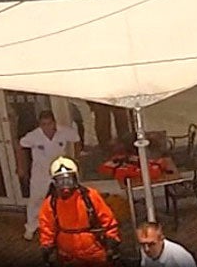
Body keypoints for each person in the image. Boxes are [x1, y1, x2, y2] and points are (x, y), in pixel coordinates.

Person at [39, 156, 121, 266]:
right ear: (54, 183)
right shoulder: (51, 203)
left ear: (75, 179)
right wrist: (47, 248)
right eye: (61, 182)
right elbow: (47, 227)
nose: (65, 187)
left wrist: (112, 242)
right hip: (67, 256)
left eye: (68, 181)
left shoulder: (90, 197)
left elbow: (108, 220)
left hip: (95, 252)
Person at [16, 109, 82, 241]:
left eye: (49, 124)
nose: (46, 127)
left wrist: (75, 158)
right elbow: (20, 146)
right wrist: (21, 166)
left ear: (54, 123)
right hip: (40, 172)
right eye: (43, 124)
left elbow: (77, 139)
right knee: (36, 199)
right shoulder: (33, 136)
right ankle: (31, 227)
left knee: (68, 196)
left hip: (60, 170)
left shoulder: (64, 131)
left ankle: (71, 223)